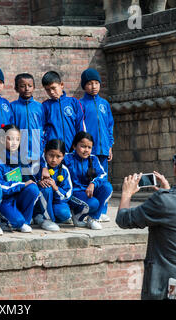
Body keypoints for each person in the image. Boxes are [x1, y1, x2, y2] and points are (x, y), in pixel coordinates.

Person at [116, 144, 176, 300]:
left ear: (175, 168)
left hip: (167, 288)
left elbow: (123, 219)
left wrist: (126, 193)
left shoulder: (163, 201)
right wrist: (168, 192)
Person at [80, 68, 114, 222]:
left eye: (96, 83)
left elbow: (109, 126)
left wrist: (110, 146)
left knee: (104, 179)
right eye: (89, 83)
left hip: (103, 149)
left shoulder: (104, 104)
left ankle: (102, 210)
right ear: (84, 86)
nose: (93, 86)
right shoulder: (81, 104)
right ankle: (91, 208)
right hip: (89, 150)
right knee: (90, 179)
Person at [0, 125, 39, 233]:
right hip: (5, 201)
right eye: (10, 139)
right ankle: (4, 217)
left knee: (33, 188)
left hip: (18, 198)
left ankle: (25, 221)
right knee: (17, 221)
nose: (14, 142)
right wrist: (21, 185)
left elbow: (29, 181)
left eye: (17, 139)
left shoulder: (22, 159)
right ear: (2, 140)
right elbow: (0, 186)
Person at [64, 131, 113, 230]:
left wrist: (93, 183)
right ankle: (78, 216)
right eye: (83, 146)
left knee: (107, 187)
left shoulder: (93, 159)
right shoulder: (67, 158)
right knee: (93, 203)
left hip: (87, 192)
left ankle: (93, 218)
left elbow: (103, 174)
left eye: (89, 147)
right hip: (72, 193)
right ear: (74, 146)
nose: (86, 150)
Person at [41, 71, 85, 153]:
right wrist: (44, 148)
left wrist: (79, 146)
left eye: (53, 88)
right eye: (48, 90)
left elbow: (80, 127)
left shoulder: (74, 103)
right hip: (53, 154)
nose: (51, 92)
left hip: (72, 151)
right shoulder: (45, 106)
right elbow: (41, 129)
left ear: (61, 85)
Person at [34, 139, 73, 231]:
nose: (54, 159)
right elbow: (29, 183)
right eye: (51, 155)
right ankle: (46, 218)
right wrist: (39, 183)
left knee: (64, 214)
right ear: (45, 153)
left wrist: (56, 188)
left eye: (58, 156)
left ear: (63, 156)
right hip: (40, 203)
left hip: (57, 202)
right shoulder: (38, 167)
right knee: (46, 188)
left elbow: (68, 194)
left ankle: (48, 215)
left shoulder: (64, 170)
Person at [10, 73, 44, 159]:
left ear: (34, 87)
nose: (27, 89)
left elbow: (44, 128)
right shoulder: (12, 107)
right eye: (22, 86)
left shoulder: (39, 107)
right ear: (16, 88)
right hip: (19, 153)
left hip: (37, 152)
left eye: (30, 86)